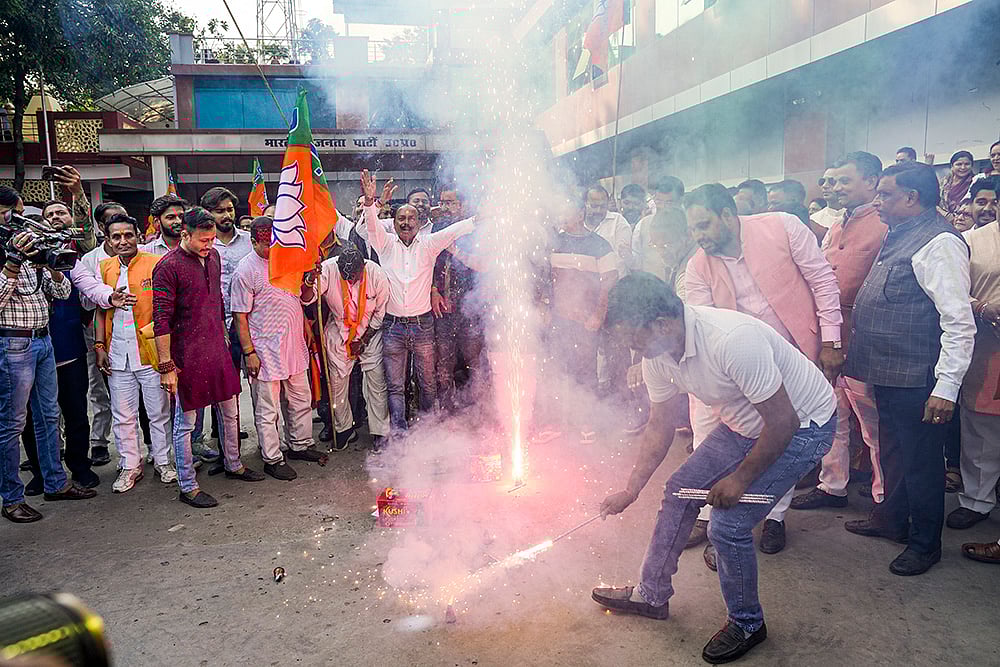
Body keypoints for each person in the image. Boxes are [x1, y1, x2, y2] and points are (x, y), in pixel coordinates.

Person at [592, 273, 836, 665]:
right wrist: (631, 489)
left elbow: (783, 422)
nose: (629, 347)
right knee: (677, 490)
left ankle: (748, 623)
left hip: (805, 425)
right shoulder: (657, 354)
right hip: (744, 423)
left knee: (729, 525)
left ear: (661, 325)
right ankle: (652, 596)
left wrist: (740, 479)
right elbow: (660, 425)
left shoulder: (731, 340)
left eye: (632, 337)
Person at [683, 183, 843, 558]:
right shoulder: (697, 266)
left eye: (704, 225)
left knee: (786, 431)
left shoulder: (783, 226)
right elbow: (701, 323)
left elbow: (822, 280)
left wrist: (832, 341)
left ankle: (775, 517)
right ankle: (712, 516)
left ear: (727, 215)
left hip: (794, 354)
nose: (699, 236)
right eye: (692, 229)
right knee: (719, 430)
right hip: (735, 364)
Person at [843, 162, 975, 576]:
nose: (877, 201)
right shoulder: (899, 234)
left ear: (911, 198)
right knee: (895, 453)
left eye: (884, 194)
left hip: (918, 379)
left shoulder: (939, 243)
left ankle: (924, 544)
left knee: (921, 463)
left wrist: (946, 387)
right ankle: (894, 522)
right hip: (889, 374)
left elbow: (958, 321)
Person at [153, 207, 265, 509]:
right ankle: (187, 485)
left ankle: (234, 464)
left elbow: (216, 300)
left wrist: (225, 338)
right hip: (186, 355)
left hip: (217, 348)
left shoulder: (213, 258)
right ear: (184, 234)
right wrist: (167, 366)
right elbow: (161, 319)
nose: (209, 245)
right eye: (203, 240)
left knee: (230, 412)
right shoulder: (167, 266)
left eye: (212, 239)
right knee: (186, 424)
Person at [793, 152, 886, 510]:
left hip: (867, 340)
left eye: (845, 181)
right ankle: (832, 485)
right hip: (831, 337)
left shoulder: (886, 224)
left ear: (872, 181)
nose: (836, 188)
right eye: (833, 181)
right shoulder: (836, 224)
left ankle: (885, 497)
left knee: (873, 426)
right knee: (832, 415)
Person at [0, 190, 97, 523]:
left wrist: (51, 266)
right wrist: (12, 263)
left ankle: (56, 483)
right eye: (7, 214)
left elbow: (62, 292)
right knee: (12, 425)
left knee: (48, 417)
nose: (13, 221)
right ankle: (11, 497)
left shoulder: (29, 249)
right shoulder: (7, 254)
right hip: (13, 344)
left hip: (43, 341)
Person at [360, 170, 477, 436]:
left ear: (419, 221)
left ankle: (427, 432)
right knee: (395, 386)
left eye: (411, 217)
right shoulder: (385, 244)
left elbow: (454, 230)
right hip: (393, 328)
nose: (406, 222)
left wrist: (477, 219)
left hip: (423, 327)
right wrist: (370, 202)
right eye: (401, 218)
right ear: (395, 222)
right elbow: (370, 226)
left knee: (427, 384)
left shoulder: (428, 244)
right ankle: (399, 434)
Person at [231, 217, 326, 481]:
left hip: (293, 344)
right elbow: (240, 316)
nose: (271, 248)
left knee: (300, 399)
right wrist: (249, 352)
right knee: (267, 408)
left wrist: (309, 282)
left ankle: (300, 444)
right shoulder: (246, 270)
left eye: (275, 241)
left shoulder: (290, 261)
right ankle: (272, 457)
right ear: (252, 242)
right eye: (265, 244)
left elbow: (303, 299)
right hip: (264, 349)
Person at [93, 214, 177, 492]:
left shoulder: (155, 263)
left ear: (138, 235)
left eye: (128, 234)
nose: (123, 241)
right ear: (108, 241)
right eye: (116, 236)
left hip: (150, 351)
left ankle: (164, 461)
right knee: (123, 414)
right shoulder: (104, 268)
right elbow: (100, 309)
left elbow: (167, 308)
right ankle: (131, 465)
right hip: (117, 352)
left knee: (158, 411)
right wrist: (99, 346)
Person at [945, 177, 1000, 531]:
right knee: (982, 425)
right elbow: (949, 292)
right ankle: (978, 499)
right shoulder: (971, 242)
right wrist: (980, 307)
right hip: (987, 345)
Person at [544, 192, 618, 441]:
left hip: (585, 321)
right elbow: (546, 279)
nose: (562, 216)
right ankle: (557, 422)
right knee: (557, 369)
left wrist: (597, 316)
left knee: (585, 371)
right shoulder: (554, 242)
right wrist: (545, 308)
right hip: (559, 319)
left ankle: (588, 421)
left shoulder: (600, 245)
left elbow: (609, 284)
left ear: (580, 214)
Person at [303, 244, 390, 450]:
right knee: (337, 385)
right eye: (346, 277)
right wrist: (309, 280)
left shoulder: (376, 273)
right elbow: (307, 299)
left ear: (363, 267)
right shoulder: (327, 269)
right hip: (339, 331)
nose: (350, 280)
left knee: (376, 383)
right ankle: (344, 429)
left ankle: (380, 432)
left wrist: (364, 338)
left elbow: (380, 313)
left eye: (355, 276)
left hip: (370, 331)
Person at [70, 201, 126, 467]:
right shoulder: (91, 259)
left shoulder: (140, 254)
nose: (122, 237)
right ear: (103, 228)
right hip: (97, 331)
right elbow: (86, 300)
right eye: (113, 222)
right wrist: (108, 297)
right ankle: (99, 442)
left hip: (133, 331)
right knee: (99, 387)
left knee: (136, 390)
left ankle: (149, 446)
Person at [201, 187, 253, 453]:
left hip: (249, 322)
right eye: (219, 211)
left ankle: (266, 441)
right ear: (208, 214)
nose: (226, 215)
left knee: (255, 381)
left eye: (229, 209)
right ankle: (225, 446)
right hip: (218, 325)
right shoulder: (204, 244)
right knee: (222, 387)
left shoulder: (248, 241)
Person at [431, 187, 486, 414]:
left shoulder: (476, 231)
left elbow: (481, 264)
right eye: (442, 202)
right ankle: (446, 411)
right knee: (444, 363)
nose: (445, 208)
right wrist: (434, 289)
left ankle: (479, 409)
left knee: (475, 361)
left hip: (471, 308)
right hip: (445, 309)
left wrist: (453, 248)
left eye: (450, 203)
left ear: (462, 205)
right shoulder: (438, 229)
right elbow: (431, 264)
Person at [630, 175, 684, 274]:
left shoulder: (691, 227)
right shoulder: (643, 225)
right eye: (659, 201)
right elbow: (637, 259)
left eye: (669, 203)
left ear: (680, 201)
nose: (663, 207)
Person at [938, 150, 975, 223]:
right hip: (939, 219)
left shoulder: (974, 182)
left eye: (967, 164)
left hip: (962, 221)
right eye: (959, 164)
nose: (963, 167)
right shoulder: (944, 182)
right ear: (952, 166)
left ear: (972, 166)